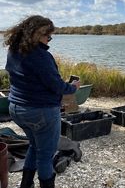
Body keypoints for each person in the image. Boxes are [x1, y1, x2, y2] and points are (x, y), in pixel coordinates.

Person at [3, 15, 80, 188]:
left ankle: (26, 184)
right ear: (36, 34)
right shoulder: (41, 56)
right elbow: (57, 86)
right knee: (46, 156)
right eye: (48, 36)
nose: (49, 40)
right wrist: (73, 87)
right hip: (40, 112)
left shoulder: (14, 50)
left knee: (34, 145)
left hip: (16, 108)